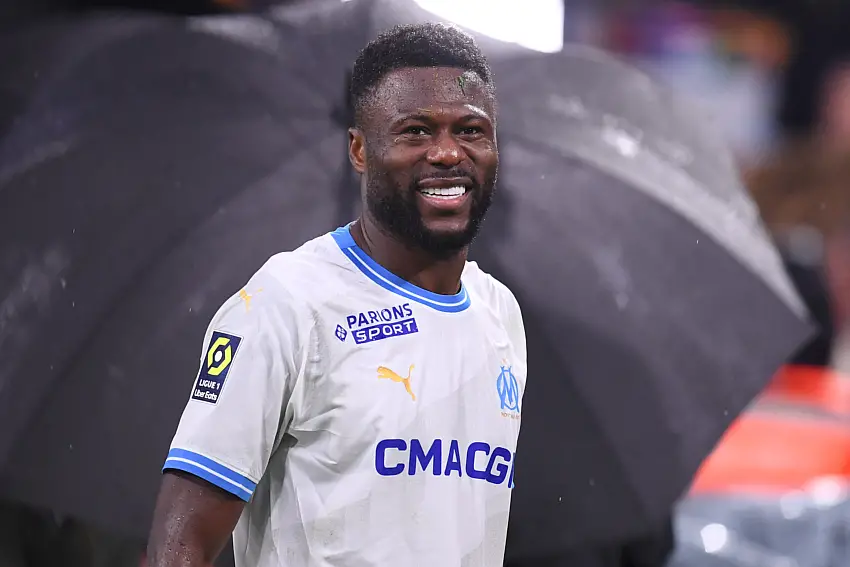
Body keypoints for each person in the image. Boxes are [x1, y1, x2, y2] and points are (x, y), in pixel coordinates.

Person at [145, 22, 527, 567]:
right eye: (416, 131)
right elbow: (180, 548)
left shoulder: (500, 314)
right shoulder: (287, 304)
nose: (447, 153)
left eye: (470, 130)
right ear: (359, 150)